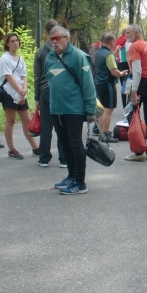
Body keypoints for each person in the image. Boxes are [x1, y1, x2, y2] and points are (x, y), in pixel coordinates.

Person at [45, 26, 96, 195]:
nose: (54, 41)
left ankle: (80, 183)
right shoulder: (50, 57)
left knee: (75, 143)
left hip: (74, 108)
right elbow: (49, 82)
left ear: (67, 38)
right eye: (52, 39)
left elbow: (88, 85)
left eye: (57, 38)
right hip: (56, 108)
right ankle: (72, 176)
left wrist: (90, 110)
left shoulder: (78, 56)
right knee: (64, 142)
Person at [0, 33, 41, 159]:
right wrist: (19, 90)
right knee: (10, 121)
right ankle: (11, 149)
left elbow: (24, 76)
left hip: (21, 93)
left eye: (16, 40)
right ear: (7, 43)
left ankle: (35, 147)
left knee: (27, 121)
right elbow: (9, 77)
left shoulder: (20, 59)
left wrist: (24, 90)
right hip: (9, 92)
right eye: (12, 41)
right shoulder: (4, 59)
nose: (15, 43)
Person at [124, 24, 147, 162]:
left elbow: (138, 70)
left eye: (128, 33)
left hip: (142, 83)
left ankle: (139, 152)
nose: (126, 35)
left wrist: (134, 90)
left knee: (132, 115)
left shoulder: (135, 46)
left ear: (136, 33)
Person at [34, 19, 67, 168]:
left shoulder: (40, 51)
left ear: (46, 33)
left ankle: (44, 157)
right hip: (60, 90)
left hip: (45, 90)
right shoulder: (64, 48)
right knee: (62, 124)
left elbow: (37, 76)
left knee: (46, 125)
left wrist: (36, 97)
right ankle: (64, 158)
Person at [95, 32, 128, 143]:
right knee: (108, 110)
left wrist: (115, 53)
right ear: (112, 42)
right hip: (108, 84)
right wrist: (122, 73)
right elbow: (114, 72)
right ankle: (106, 134)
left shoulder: (99, 53)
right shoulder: (109, 55)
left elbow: (108, 59)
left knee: (100, 110)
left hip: (98, 84)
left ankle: (101, 133)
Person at [113, 28, 129, 108]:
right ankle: (129, 105)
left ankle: (124, 106)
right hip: (127, 64)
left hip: (120, 64)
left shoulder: (118, 41)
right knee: (130, 84)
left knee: (123, 85)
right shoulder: (128, 41)